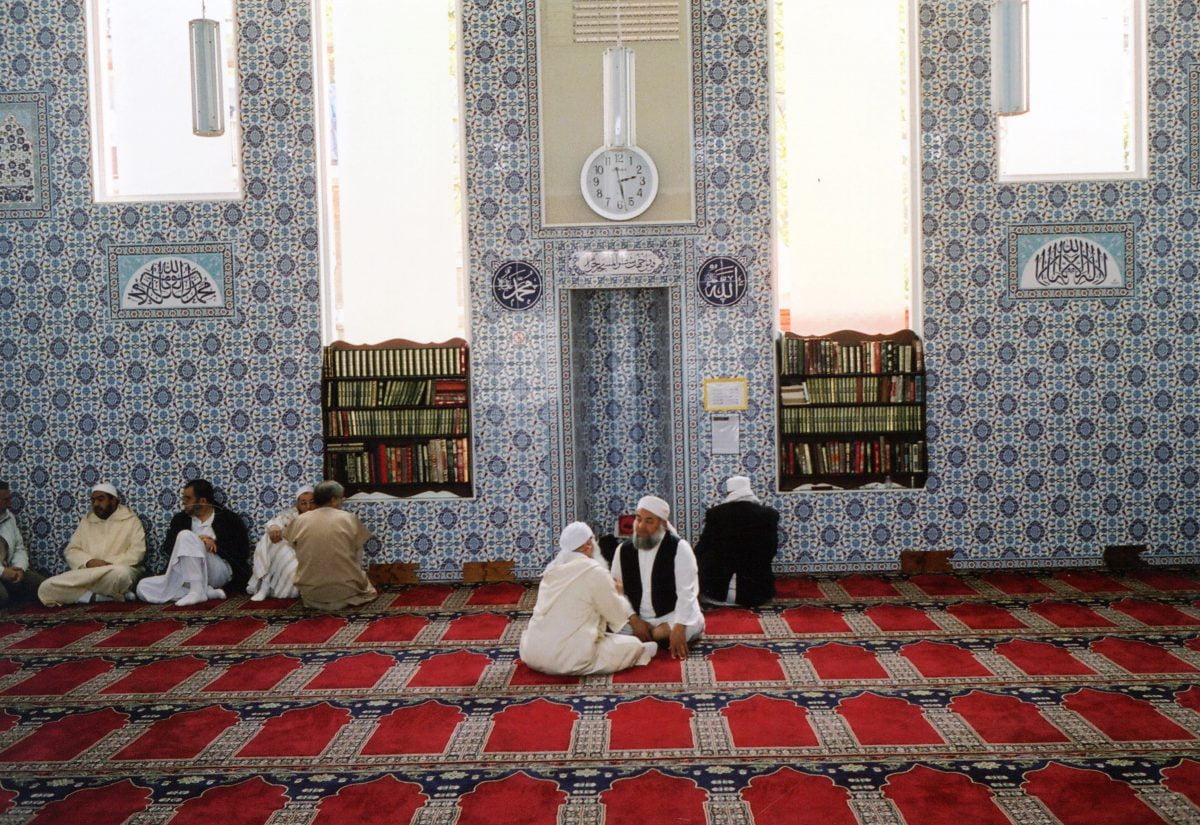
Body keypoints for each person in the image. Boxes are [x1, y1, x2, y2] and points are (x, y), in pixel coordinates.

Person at [519, 522, 657, 676]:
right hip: (570, 659)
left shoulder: (552, 570)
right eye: (594, 540)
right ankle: (641, 651)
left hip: (534, 653)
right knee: (633, 645)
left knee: (596, 634)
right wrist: (619, 592)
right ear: (587, 545)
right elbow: (615, 613)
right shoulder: (594, 571)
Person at [610, 495, 705, 659]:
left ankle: (646, 639)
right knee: (604, 623)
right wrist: (634, 620)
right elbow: (616, 590)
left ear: (662, 524)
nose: (640, 526)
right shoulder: (623, 550)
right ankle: (651, 638)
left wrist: (679, 628)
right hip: (636, 618)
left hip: (671, 616)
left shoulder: (679, 548)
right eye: (638, 519)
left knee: (684, 625)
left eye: (649, 521)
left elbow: (687, 593)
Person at [136, 479, 251, 606]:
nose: (183, 502)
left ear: (202, 501)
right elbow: (168, 548)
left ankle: (196, 590)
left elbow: (242, 552)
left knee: (185, 535)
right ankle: (204, 592)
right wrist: (197, 540)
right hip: (185, 573)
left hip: (217, 570)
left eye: (188, 498)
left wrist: (214, 544)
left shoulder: (228, 519)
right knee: (142, 587)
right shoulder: (180, 520)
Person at [38, 483, 147, 605]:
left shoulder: (131, 520)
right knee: (46, 587)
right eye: (93, 500)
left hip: (116, 570)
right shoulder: (87, 521)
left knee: (121, 574)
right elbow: (71, 550)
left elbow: (137, 553)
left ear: (114, 501)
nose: (95, 504)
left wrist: (108, 563)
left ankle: (86, 594)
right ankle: (102, 597)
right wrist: (89, 561)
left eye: (101, 499)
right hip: (88, 572)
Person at [285, 480, 377, 611]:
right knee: (365, 583)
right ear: (333, 500)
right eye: (341, 499)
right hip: (346, 592)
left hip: (312, 594)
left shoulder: (299, 520)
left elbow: (296, 550)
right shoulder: (348, 518)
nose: (341, 502)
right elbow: (358, 555)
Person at [694, 475, 780, 608]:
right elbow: (771, 550)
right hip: (756, 594)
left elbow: (701, 549)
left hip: (716, 593)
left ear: (729, 492)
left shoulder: (715, 514)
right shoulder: (769, 515)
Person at [246, 485, 314, 601]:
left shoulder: (321, 516)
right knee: (270, 538)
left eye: (312, 502)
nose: (308, 507)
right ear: (297, 504)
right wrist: (273, 527)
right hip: (290, 554)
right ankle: (265, 586)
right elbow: (276, 522)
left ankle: (266, 586)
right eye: (303, 503)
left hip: (309, 557)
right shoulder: (291, 515)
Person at [0, 481, 45, 607]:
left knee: (44, 587)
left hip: (10, 569)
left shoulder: (8, 517)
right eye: (5, 500)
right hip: (3, 571)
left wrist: (19, 569)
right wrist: (2, 572)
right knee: (2, 597)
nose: (9, 504)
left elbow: (19, 548)